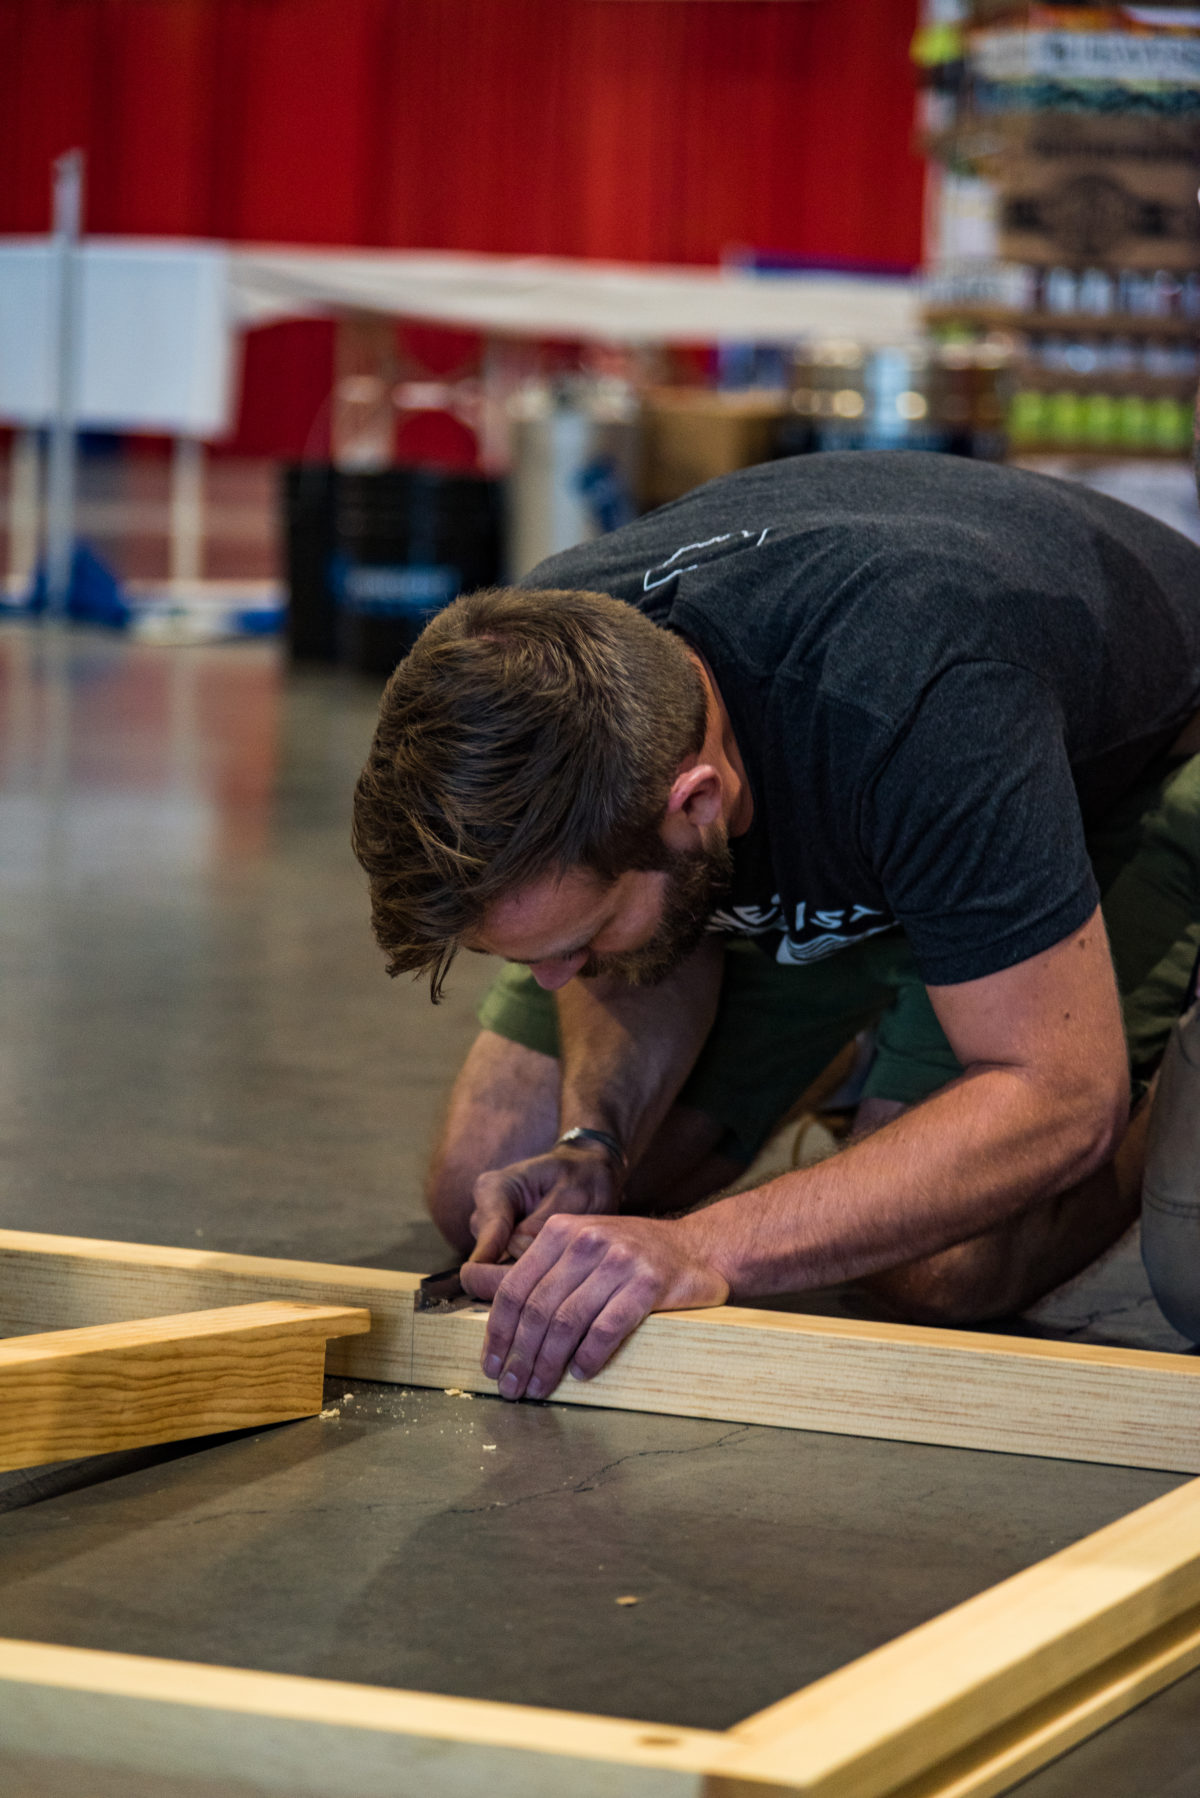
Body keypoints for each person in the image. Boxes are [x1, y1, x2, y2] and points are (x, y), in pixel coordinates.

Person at [352, 450, 1200, 1401]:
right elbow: (628, 944)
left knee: (940, 1267)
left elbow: (1060, 1099)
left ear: (694, 802)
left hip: (1108, 779)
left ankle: (1169, 1036)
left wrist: (701, 1246)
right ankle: (847, 1047)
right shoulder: (558, 659)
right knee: (488, 1183)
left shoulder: (927, 701)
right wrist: (597, 1145)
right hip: (847, 815)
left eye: (577, 944)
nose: (561, 979)